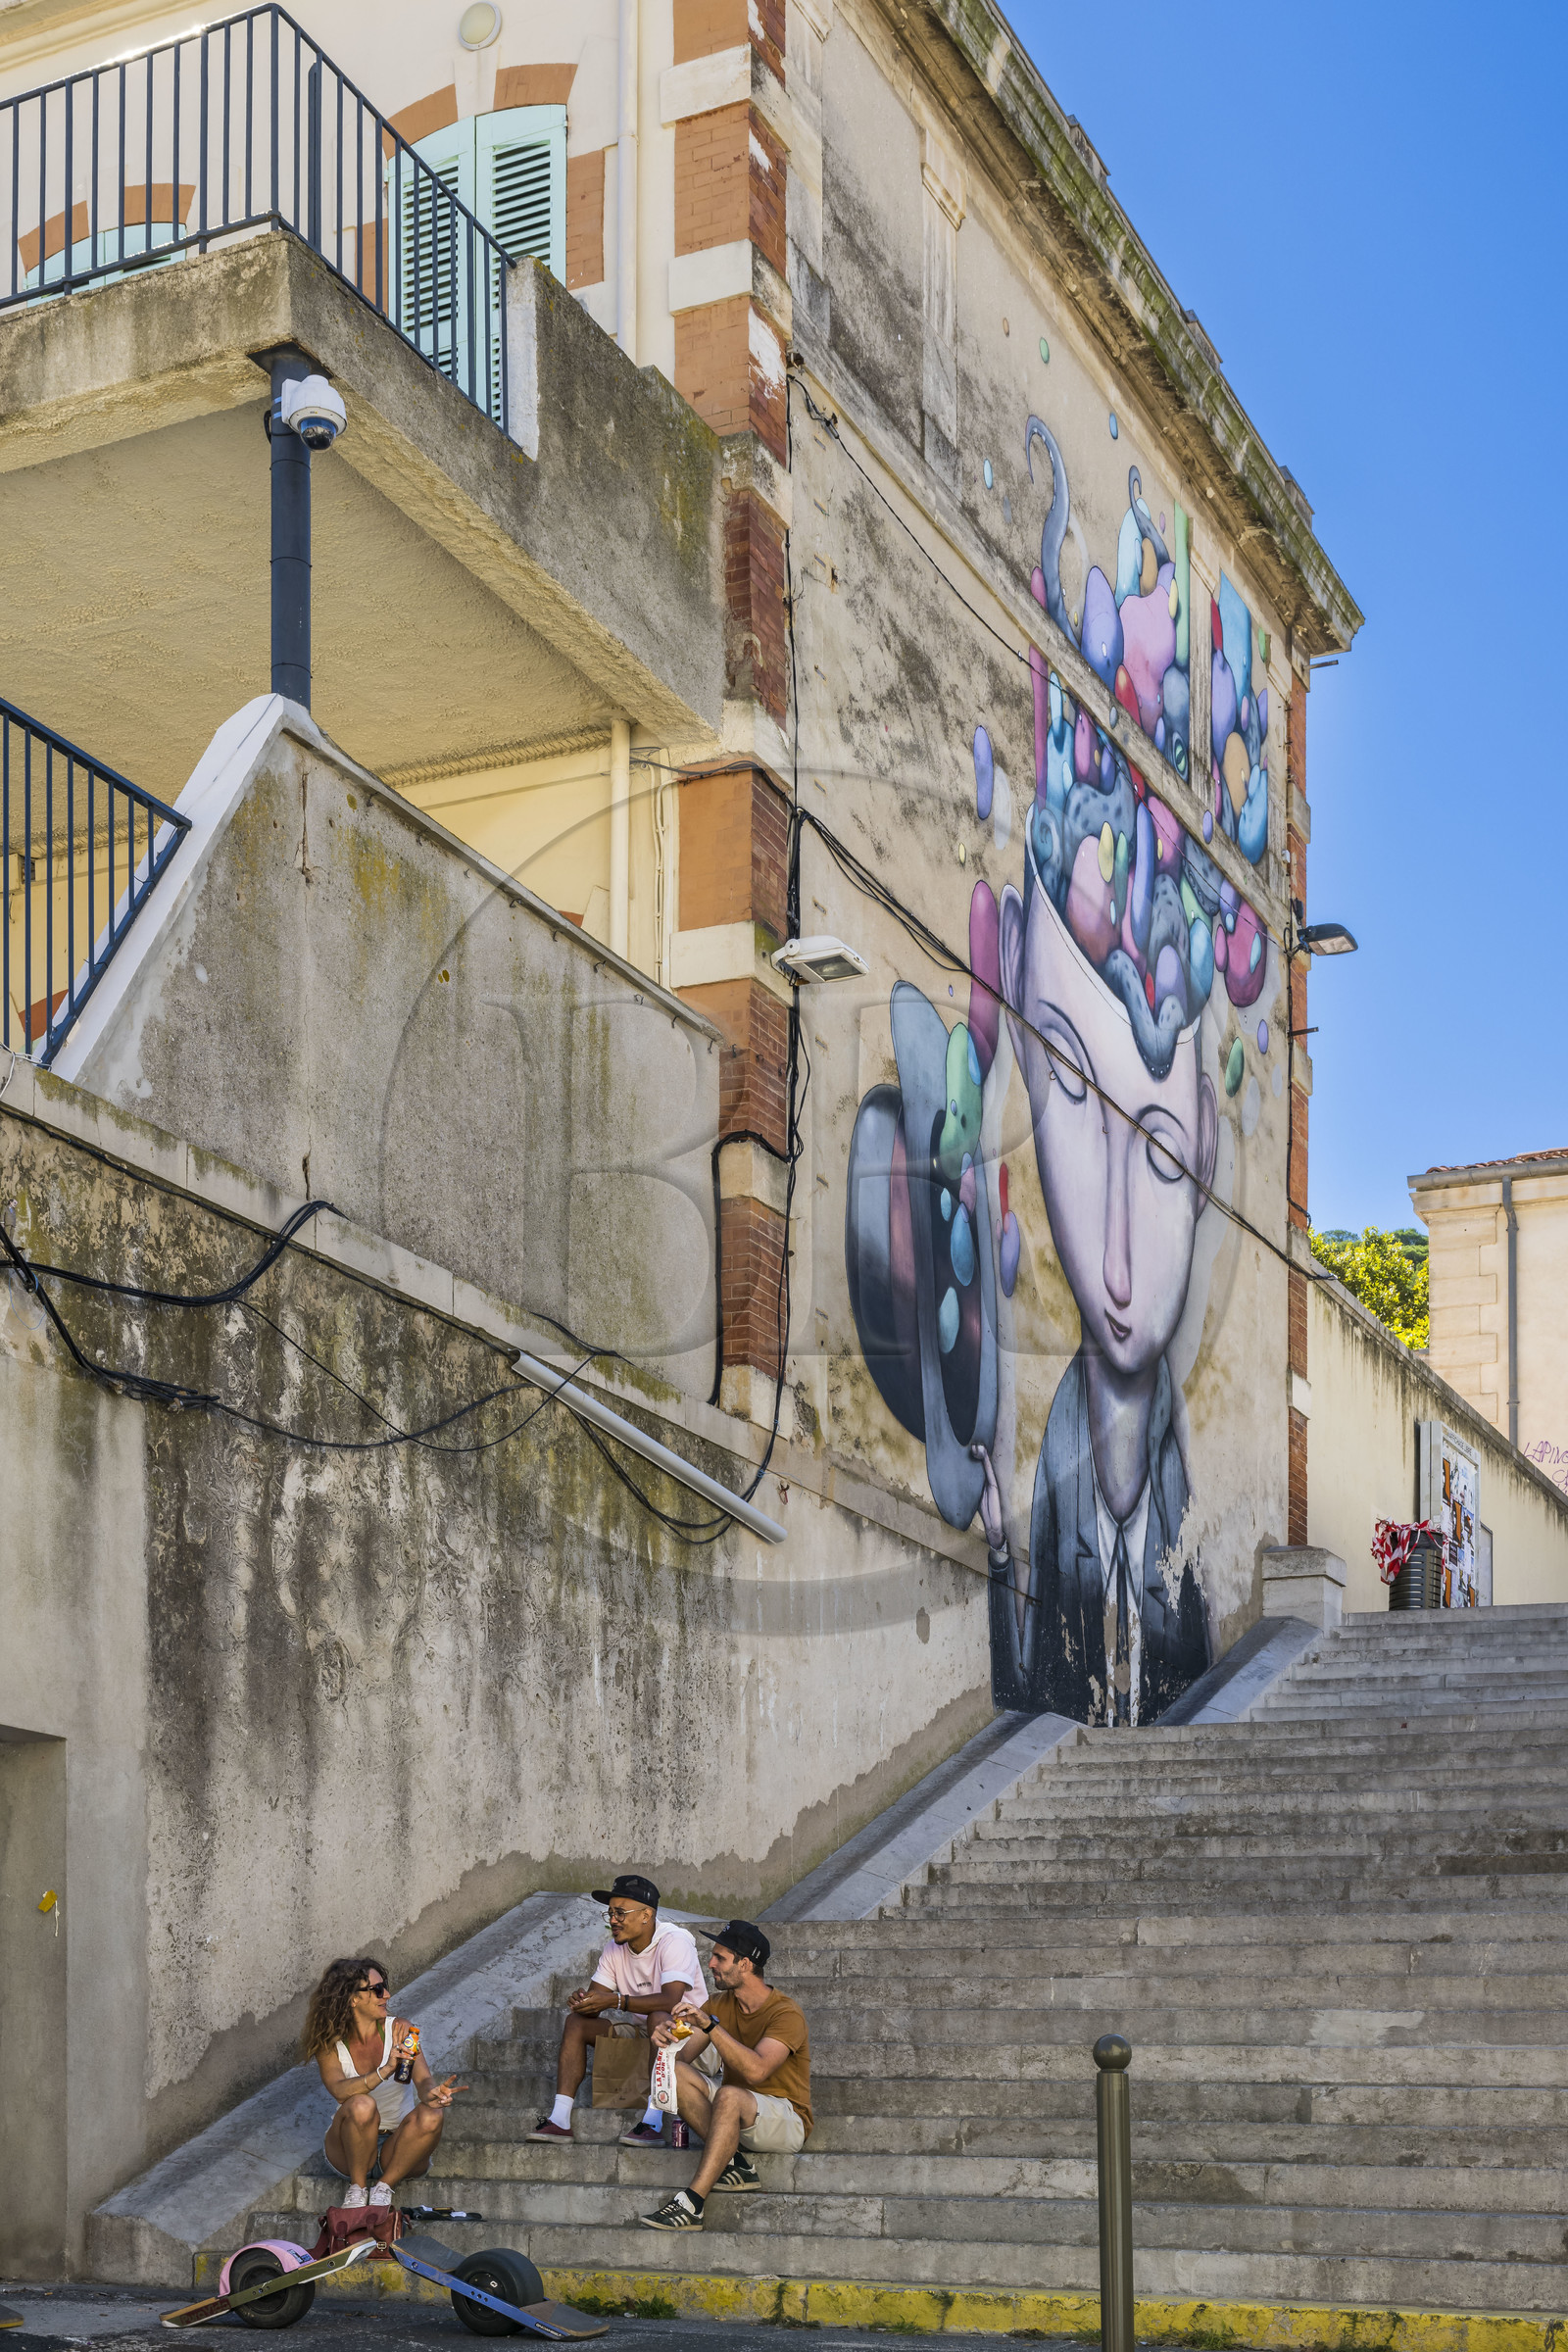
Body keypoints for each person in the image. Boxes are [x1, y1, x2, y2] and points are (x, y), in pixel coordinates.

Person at [971, 803, 1216, 1725]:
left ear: (1207, 1165)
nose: (1114, 1269)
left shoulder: (1177, 1493)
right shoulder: (1058, 1453)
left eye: (1159, 1154)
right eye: (1068, 1084)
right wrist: (1001, 1554)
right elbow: (1029, 1685)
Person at [638, 1919, 810, 2230]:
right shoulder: (719, 2003)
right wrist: (667, 2040)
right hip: (734, 2112)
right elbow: (684, 2059)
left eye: (720, 1957)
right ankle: (733, 2164)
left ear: (745, 1964)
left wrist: (711, 2026)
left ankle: (692, 2204)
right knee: (675, 2072)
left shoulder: (786, 2013)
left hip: (784, 2118)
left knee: (730, 2095)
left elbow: (757, 2070)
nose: (710, 1963)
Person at [528, 1874, 707, 2148]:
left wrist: (616, 2001)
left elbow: (671, 1999)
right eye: (610, 1913)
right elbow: (596, 2000)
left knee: (660, 2018)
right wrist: (583, 2002)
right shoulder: (614, 1949)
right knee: (576, 2022)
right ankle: (560, 2119)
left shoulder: (675, 1941)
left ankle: (653, 2121)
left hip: (691, 2038)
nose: (613, 1920)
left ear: (646, 1915)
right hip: (647, 2036)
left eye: (621, 1913)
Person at [302, 1956, 465, 2207]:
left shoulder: (400, 2030)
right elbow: (339, 2091)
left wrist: (433, 2092)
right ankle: (357, 2189)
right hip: (349, 2150)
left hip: (398, 2146)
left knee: (433, 2115)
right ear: (352, 1998)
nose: (386, 1995)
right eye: (377, 1990)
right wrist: (385, 2069)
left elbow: (423, 2080)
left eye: (385, 1986)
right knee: (361, 2104)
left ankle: (384, 2187)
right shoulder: (330, 2044)